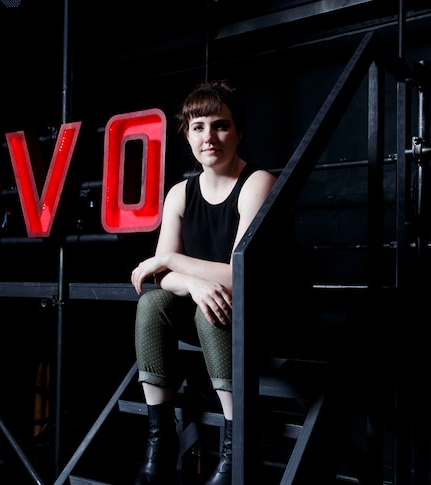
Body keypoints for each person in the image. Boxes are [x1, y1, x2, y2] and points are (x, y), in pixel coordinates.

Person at [128, 80, 277, 485]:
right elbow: (160, 280)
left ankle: (238, 444)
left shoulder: (258, 183)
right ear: (187, 134)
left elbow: (241, 272)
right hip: (208, 307)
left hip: (265, 314)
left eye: (221, 125)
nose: (208, 137)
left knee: (213, 304)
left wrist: (173, 261)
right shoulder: (180, 193)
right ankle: (160, 442)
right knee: (152, 304)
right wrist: (191, 283)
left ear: (239, 133)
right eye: (198, 127)